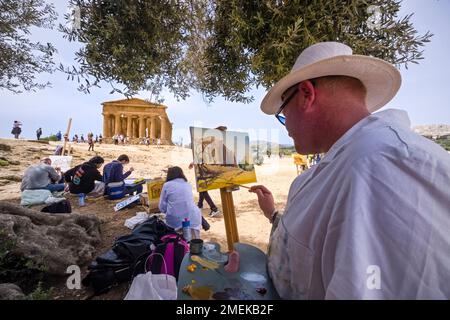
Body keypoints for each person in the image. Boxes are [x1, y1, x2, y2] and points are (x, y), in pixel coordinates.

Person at [249, 42, 450, 299]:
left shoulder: (386, 162)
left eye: (282, 113)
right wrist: (274, 215)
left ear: (306, 94)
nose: (285, 124)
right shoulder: (344, 163)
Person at [159, 166, 202, 239]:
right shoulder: (187, 184)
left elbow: (161, 207)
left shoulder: (167, 185)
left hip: (175, 221)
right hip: (193, 218)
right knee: (194, 244)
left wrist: (170, 209)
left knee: (178, 244)